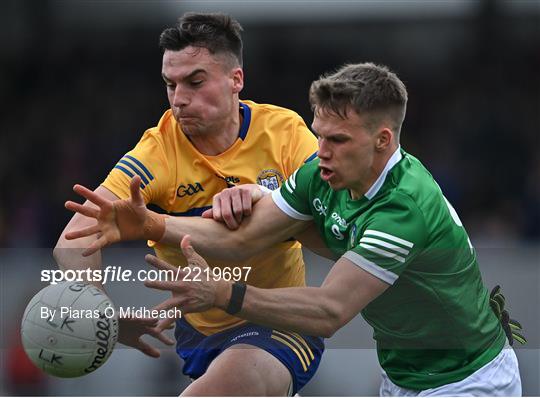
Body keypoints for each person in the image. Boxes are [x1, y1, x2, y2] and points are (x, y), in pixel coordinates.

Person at [66, 62, 523, 396]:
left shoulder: (402, 208)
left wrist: (223, 294)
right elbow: (246, 238)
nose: (320, 151)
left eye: (338, 140)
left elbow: (329, 310)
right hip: (404, 377)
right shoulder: (322, 174)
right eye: (318, 134)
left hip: (469, 379)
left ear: (383, 141)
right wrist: (152, 223)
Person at [55, 12, 323, 396]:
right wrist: (99, 313)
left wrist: (263, 196)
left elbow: (332, 208)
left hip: (279, 320)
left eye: (195, 82)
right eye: (170, 84)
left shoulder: (284, 132)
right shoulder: (157, 152)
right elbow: (73, 240)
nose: (179, 99)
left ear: (236, 80)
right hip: (200, 336)